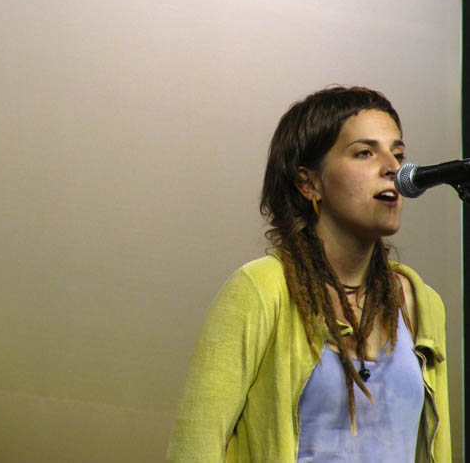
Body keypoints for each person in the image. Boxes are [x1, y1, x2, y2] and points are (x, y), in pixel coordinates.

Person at [167, 86, 451, 462]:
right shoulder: (260, 290)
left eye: (397, 154)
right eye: (364, 153)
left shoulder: (419, 301)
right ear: (309, 183)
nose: (392, 168)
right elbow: (195, 447)